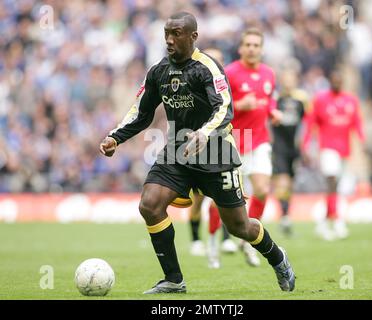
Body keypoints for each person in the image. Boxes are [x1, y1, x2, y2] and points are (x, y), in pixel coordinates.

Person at [100, 12, 295, 294]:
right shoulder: (158, 71)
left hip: (215, 152)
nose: (169, 39)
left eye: (176, 33)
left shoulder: (208, 68)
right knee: (150, 204)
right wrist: (115, 137)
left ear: (193, 37)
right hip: (178, 151)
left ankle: (278, 258)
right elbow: (141, 112)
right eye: (167, 33)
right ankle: (174, 279)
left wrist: (204, 133)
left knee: (240, 227)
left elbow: (224, 108)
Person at [207, 28, 283, 267]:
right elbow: (218, 105)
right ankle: (212, 243)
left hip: (258, 141)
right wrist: (240, 104)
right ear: (240, 48)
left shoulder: (269, 74)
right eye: (248, 44)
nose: (251, 48)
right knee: (222, 199)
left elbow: (268, 98)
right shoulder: (229, 73)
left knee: (261, 190)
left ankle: (249, 241)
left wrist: (272, 111)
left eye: (256, 45)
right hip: (234, 142)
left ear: (261, 49)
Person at [186, 47, 237, 258]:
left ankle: (226, 239)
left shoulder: (226, 86)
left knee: (222, 196)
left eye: (219, 59)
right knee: (197, 199)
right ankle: (196, 240)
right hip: (198, 145)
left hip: (222, 145)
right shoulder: (193, 84)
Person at [302, 69, 365, 240]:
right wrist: (306, 144)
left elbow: (357, 123)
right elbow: (310, 123)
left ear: (342, 82)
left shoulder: (351, 100)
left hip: (345, 149)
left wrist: (361, 141)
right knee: (331, 180)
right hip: (328, 148)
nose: (337, 83)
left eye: (339, 80)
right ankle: (337, 220)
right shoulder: (321, 100)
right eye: (334, 80)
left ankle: (324, 221)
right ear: (330, 81)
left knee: (338, 186)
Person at [272, 69, 308, 236]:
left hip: (295, 145)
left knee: (291, 182)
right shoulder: (275, 98)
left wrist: (305, 144)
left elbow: (307, 121)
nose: (288, 82)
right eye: (285, 78)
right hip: (279, 145)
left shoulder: (301, 99)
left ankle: (286, 212)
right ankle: (284, 215)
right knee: (283, 180)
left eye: (291, 78)